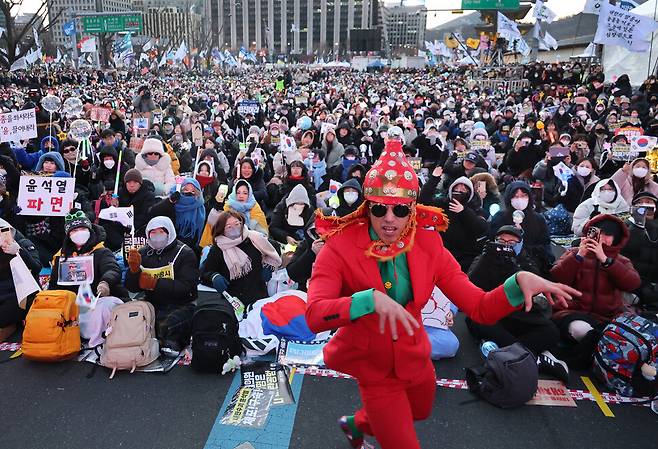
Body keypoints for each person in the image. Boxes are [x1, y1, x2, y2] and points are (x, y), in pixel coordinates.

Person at [305, 140, 579, 449]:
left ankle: (356, 423)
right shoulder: (339, 247)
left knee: (417, 411)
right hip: (374, 366)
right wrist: (365, 300)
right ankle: (374, 420)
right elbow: (315, 315)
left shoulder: (429, 245)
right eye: (380, 208)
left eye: (400, 209)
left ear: (413, 208)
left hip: (415, 357)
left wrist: (517, 283)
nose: (390, 219)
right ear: (367, 207)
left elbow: (479, 307)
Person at [466, 225, 568, 382]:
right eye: (501, 241)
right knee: (477, 322)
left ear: (520, 244)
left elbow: (535, 290)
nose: (506, 245)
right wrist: (488, 257)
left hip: (519, 314)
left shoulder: (526, 260)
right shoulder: (484, 258)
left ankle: (506, 353)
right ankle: (534, 358)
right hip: (491, 312)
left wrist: (512, 265)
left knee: (551, 332)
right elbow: (471, 284)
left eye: (512, 242)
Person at [550, 214, 641, 368]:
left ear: (616, 239)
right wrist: (578, 256)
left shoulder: (621, 261)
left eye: (607, 235)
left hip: (608, 316)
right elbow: (556, 277)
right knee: (582, 330)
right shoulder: (574, 252)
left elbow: (632, 283)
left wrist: (606, 261)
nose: (602, 238)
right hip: (574, 312)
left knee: (619, 336)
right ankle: (596, 355)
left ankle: (596, 353)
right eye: (598, 233)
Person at [125, 216, 199, 351]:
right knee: (130, 319)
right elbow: (131, 288)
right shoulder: (143, 253)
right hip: (151, 302)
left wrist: (155, 283)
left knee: (169, 324)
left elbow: (188, 288)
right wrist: (134, 271)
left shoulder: (185, 253)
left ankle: (167, 341)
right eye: (153, 232)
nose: (157, 236)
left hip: (181, 303)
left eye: (161, 232)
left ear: (169, 232)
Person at [200, 211, 281, 306]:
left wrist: (268, 266)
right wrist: (214, 277)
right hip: (232, 300)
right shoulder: (218, 248)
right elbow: (205, 272)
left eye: (237, 224)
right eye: (229, 226)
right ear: (222, 229)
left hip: (258, 295)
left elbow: (274, 248)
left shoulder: (254, 238)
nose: (234, 228)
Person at [48, 210, 123, 298]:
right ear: (68, 236)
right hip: (70, 303)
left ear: (89, 231)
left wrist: (105, 282)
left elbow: (112, 269)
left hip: (99, 299)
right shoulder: (62, 257)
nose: (79, 232)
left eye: (83, 229)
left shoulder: (102, 252)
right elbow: (54, 285)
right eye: (75, 230)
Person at [0, 218, 41, 342]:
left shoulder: (24, 243)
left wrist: (19, 251)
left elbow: (36, 267)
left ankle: (13, 324)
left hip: (20, 295)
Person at [149, 178, 206, 256]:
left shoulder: (200, 207)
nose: (189, 193)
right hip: (170, 245)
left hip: (192, 248)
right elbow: (153, 212)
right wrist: (170, 201)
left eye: (193, 191)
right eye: (186, 190)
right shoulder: (174, 202)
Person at [620, 192, 658, 311]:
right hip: (635, 278)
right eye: (641, 203)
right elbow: (628, 248)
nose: (645, 206)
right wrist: (638, 225)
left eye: (649, 203)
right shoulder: (625, 227)